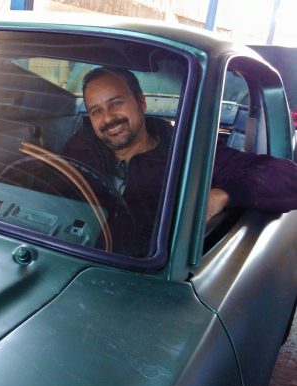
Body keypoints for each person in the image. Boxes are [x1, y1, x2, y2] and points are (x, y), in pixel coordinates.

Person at [61, 66, 297, 256]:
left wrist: (223, 195)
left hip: (144, 274)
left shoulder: (188, 152)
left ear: (141, 102)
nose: (108, 119)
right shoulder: (80, 149)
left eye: (116, 103)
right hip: (72, 253)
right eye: (96, 111)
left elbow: (286, 175)